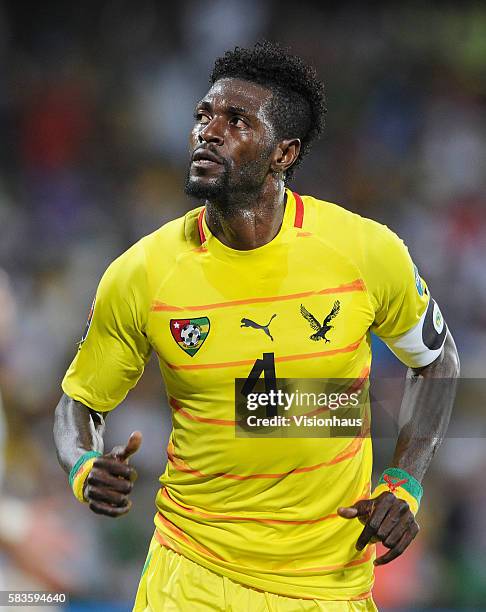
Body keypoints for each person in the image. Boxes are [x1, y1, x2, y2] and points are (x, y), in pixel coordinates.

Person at [54, 42, 460, 611]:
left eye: (236, 121)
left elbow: (438, 360)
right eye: (203, 116)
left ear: (283, 152)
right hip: (190, 572)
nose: (208, 131)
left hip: (326, 585)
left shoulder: (365, 252)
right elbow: (79, 401)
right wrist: (83, 464)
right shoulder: (141, 272)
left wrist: (405, 484)